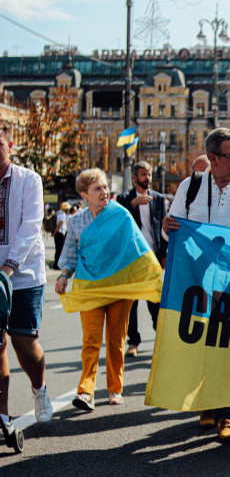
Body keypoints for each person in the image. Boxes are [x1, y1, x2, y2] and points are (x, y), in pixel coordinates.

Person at [163, 127, 230, 443]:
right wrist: (166, 228)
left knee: (229, 347)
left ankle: (227, 415)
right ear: (213, 158)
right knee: (202, 345)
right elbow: (173, 231)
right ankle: (206, 400)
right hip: (198, 281)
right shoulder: (190, 187)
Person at [56, 168, 160, 411]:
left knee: (115, 340)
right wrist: (63, 276)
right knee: (90, 340)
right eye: (97, 189)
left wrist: (154, 275)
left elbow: (137, 249)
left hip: (118, 288)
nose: (104, 192)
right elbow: (70, 254)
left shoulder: (120, 215)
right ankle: (86, 391)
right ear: (84, 195)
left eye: (105, 187)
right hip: (89, 287)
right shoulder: (75, 221)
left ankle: (115, 388)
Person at [0, 122, 53, 430]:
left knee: (23, 341)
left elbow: (31, 227)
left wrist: (8, 268)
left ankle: (39, 388)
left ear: (10, 147)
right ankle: (3, 415)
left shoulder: (28, 180)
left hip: (24, 276)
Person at [116, 161, 167, 358]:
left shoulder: (158, 198)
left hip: (152, 257)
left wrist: (163, 255)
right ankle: (133, 342)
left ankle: (161, 338)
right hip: (131, 259)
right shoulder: (124, 199)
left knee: (155, 300)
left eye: (149, 174)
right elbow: (117, 222)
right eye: (144, 175)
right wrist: (132, 205)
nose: (148, 178)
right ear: (135, 177)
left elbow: (162, 228)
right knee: (132, 304)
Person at [52, 201, 70, 270]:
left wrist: (54, 233)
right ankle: (57, 265)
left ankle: (56, 264)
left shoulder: (58, 213)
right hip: (60, 234)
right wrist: (55, 232)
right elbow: (59, 225)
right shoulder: (63, 215)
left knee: (58, 249)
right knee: (60, 250)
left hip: (57, 234)